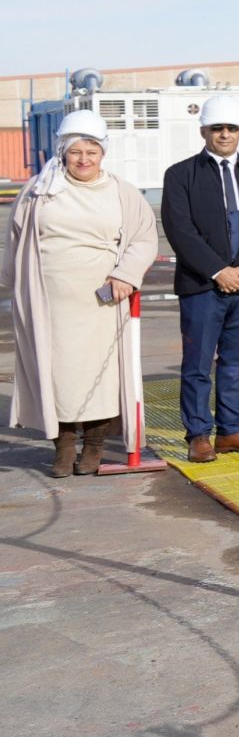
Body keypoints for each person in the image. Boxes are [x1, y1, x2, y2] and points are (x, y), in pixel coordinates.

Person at [6, 110, 157, 477]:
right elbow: (15, 239)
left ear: (103, 152)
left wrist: (126, 274)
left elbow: (143, 238)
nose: (84, 159)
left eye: (92, 151)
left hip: (103, 301)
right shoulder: (38, 191)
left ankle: (94, 446)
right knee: (56, 375)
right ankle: (63, 446)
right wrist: (15, 283)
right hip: (50, 301)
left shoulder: (122, 192)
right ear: (63, 151)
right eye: (76, 151)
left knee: (100, 378)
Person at [161, 95, 239, 461]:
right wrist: (218, 271)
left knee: (235, 363)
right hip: (202, 286)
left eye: (231, 128)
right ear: (204, 131)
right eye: (218, 129)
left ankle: (231, 431)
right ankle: (199, 435)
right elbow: (180, 229)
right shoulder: (181, 175)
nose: (225, 134)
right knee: (197, 365)